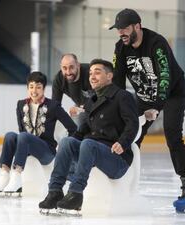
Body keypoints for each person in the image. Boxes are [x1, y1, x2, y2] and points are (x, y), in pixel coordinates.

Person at [109, 8, 185, 212]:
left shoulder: (156, 43)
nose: (120, 33)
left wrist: (156, 107)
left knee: (173, 136)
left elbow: (165, 77)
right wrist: (116, 106)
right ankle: (123, 183)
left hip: (172, 92)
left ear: (137, 26)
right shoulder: (120, 47)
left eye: (124, 29)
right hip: (143, 95)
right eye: (118, 29)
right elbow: (117, 81)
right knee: (130, 136)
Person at [38, 59, 139, 214]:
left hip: (117, 158)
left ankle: (76, 193)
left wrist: (123, 142)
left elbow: (133, 124)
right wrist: (67, 146)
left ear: (109, 76)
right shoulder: (91, 100)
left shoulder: (122, 96)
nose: (92, 76)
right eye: (91, 73)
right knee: (67, 141)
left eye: (97, 72)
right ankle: (55, 190)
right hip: (93, 152)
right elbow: (82, 131)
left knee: (88, 143)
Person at [0, 72, 77, 196]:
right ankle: (4, 175)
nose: (34, 90)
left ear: (43, 89)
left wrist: (65, 148)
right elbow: (21, 130)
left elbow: (72, 128)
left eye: (38, 87)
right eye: (31, 87)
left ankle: (17, 175)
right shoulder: (21, 105)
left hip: (46, 151)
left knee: (24, 136)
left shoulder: (53, 106)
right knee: (10, 136)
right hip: (26, 145)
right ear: (27, 88)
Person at [52, 53, 92, 118]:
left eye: (71, 67)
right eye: (64, 68)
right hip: (81, 106)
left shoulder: (91, 73)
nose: (68, 72)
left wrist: (81, 108)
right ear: (61, 67)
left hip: (100, 107)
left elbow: (100, 99)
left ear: (78, 65)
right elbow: (55, 106)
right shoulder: (58, 79)